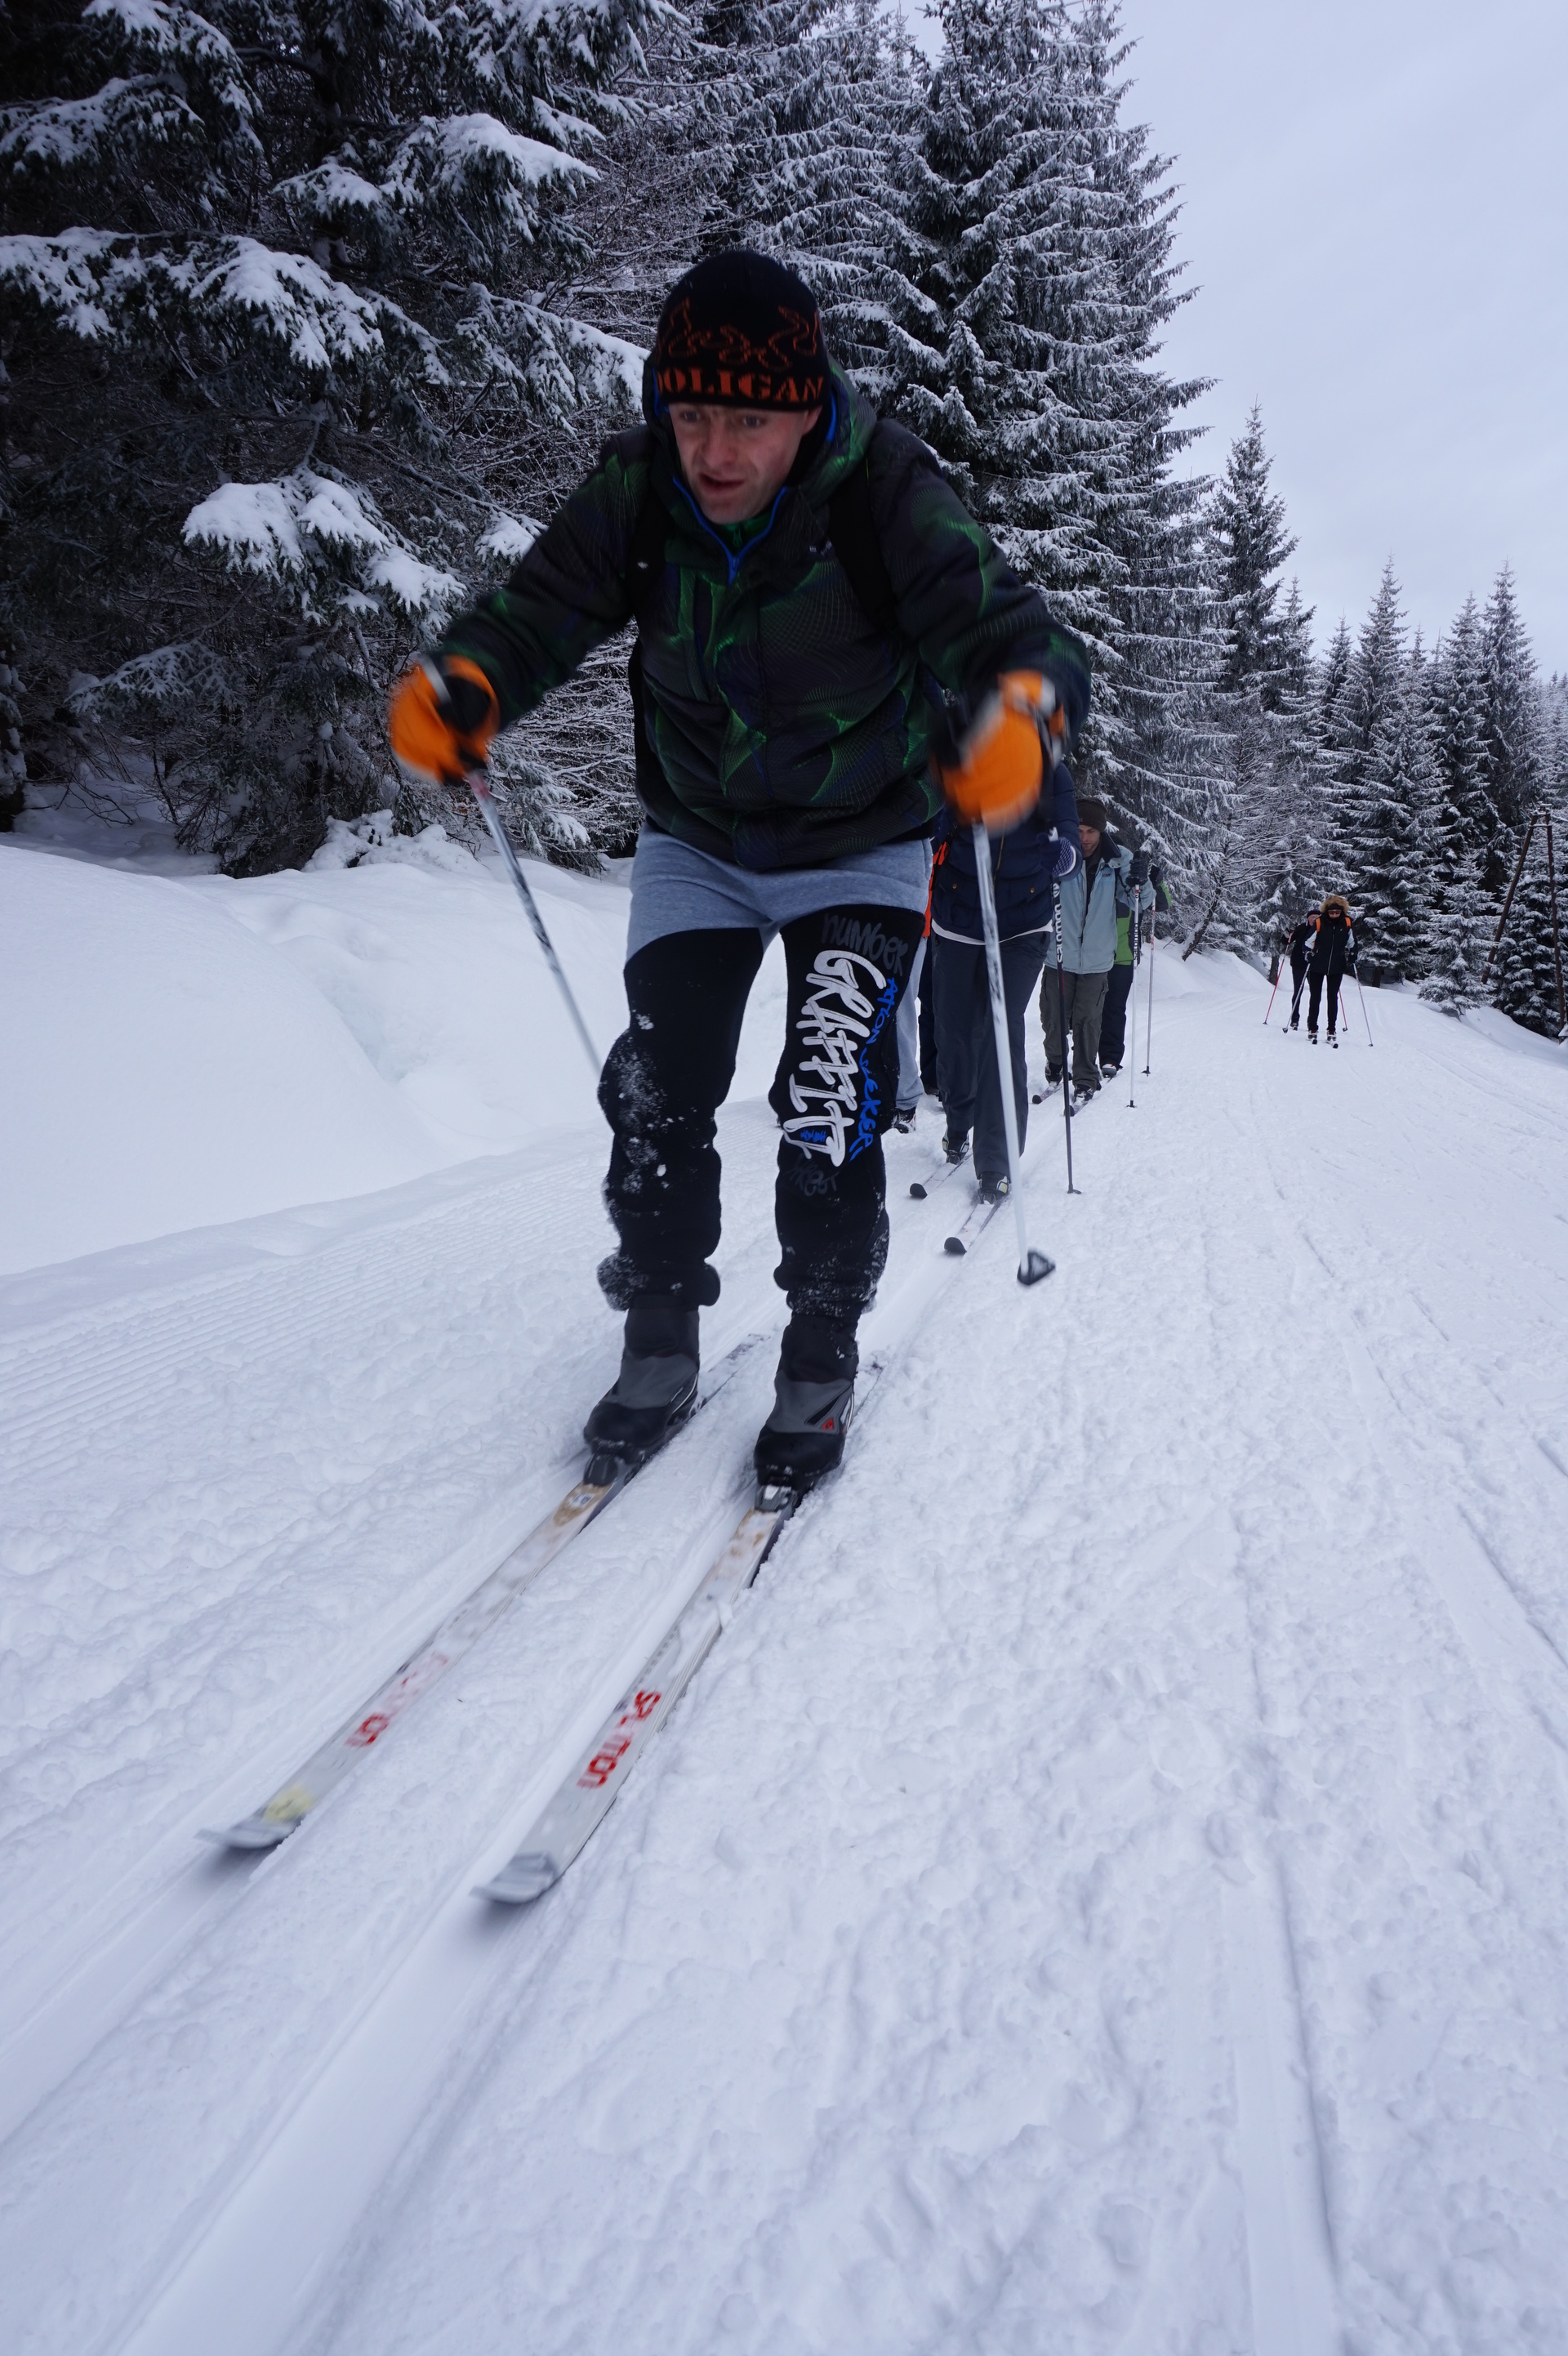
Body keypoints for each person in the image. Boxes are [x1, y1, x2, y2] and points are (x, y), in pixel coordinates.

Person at [388, 250, 1089, 1488]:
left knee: (829, 1097)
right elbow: (541, 606)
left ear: (805, 411)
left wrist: (1022, 712)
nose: (713, 451)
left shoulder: (883, 490)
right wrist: (472, 680)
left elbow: (1012, 631)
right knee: (657, 1087)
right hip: (698, 840)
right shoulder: (642, 489)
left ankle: (820, 1346)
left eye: (747, 422)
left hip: (861, 842)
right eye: (693, 413)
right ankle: (659, 1333)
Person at [929, 765, 1080, 1199]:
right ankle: (959, 1122)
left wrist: (1063, 855)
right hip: (958, 917)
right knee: (955, 1033)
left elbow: (1069, 843)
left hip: (1022, 926)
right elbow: (930, 822)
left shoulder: (1051, 774)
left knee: (1001, 1028)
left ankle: (997, 1158)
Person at [1039, 796, 1146, 1104]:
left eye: (1091, 832)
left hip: (1097, 959)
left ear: (1101, 832)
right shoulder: (1058, 852)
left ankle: (1085, 1077)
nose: (1084, 838)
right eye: (1079, 830)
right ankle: (1056, 1062)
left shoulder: (1117, 860)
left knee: (1088, 1021)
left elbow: (1140, 901)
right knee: (1053, 1018)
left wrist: (1141, 880)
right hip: (1059, 955)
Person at [1098, 847, 1169, 1075]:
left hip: (1123, 955)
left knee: (1114, 1008)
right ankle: (1085, 1054)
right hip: (1095, 953)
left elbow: (1161, 903)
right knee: (1088, 1009)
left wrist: (1156, 882)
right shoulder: (1098, 874)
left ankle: (1110, 1058)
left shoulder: (1136, 877)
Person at [1307, 895, 1355, 1043]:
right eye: (1331, 912)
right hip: (1317, 964)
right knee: (1315, 997)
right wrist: (1307, 953)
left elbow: (1352, 942)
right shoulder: (1320, 921)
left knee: (1332, 997)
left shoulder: (1347, 922)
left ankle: (1331, 1029)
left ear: (1342, 911)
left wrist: (1353, 953)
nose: (1334, 915)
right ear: (1326, 911)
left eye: (1337, 912)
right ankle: (1312, 1027)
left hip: (1336, 965)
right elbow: (1308, 941)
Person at [1284, 909, 1319, 1031]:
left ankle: (1311, 1021)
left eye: (1317, 917)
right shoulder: (1301, 928)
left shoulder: (1322, 929)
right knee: (1298, 990)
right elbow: (1286, 941)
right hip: (1299, 963)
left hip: (1314, 964)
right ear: (1308, 918)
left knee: (1315, 993)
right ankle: (1294, 1019)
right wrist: (1288, 931)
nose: (1315, 919)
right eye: (1313, 917)